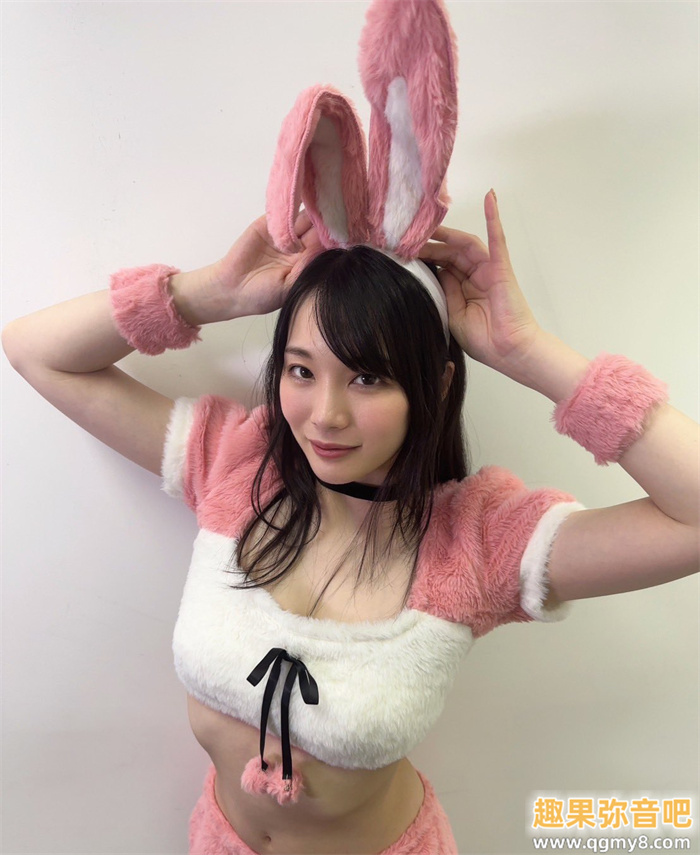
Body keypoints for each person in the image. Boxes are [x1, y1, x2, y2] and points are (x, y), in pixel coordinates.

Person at [3, 190, 698, 855]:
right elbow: (35, 349)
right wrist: (205, 293)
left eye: (367, 378)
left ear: (435, 385)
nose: (326, 416)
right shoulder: (237, 467)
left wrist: (526, 350)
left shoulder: (477, 543)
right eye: (301, 371)